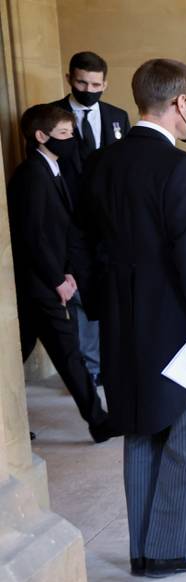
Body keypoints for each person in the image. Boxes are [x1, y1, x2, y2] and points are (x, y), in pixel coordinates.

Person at [80, 58, 186, 578]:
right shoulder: (180, 168)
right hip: (180, 330)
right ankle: (172, 549)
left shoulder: (103, 162)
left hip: (125, 329)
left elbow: (85, 248)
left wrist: (106, 311)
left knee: (143, 432)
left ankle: (143, 548)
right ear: (179, 104)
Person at [6, 104, 114, 443]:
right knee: (69, 354)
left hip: (51, 280)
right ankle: (98, 421)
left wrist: (68, 272)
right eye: (65, 134)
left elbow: (60, 231)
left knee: (18, 353)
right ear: (42, 136)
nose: (72, 140)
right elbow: (32, 236)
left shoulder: (52, 168)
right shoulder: (31, 176)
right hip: (39, 286)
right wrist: (57, 280)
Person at [52, 51, 131, 386]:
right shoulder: (51, 116)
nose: (89, 88)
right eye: (82, 82)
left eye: (96, 84)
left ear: (105, 84)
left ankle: (114, 358)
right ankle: (91, 368)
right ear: (69, 78)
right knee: (82, 297)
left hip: (109, 223)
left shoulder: (118, 116)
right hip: (71, 219)